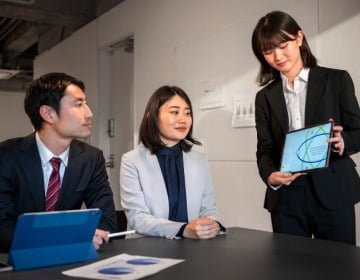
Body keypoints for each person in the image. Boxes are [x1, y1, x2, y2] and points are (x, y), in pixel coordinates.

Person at [252, 11, 360, 245]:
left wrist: (344, 142)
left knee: (339, 268)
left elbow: (357, 130)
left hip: (332, 190)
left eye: (283, 45)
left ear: (299, 37)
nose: (277, 56)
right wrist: (270, 175)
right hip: (287, 196)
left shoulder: (337, 80)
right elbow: (265, 149)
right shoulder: (264, 97)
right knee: (291, 269)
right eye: (268, 51)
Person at [0, 72, 118, 252]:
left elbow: (107, 221)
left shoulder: (91, 158)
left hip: (70, 262)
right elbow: (2, 230)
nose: (89, 113)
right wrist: (69, 239)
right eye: (79, 105)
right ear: (48, 114)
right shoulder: (7, 157)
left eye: (86, 103)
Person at [120, 85, 225, 239]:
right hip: (148, 250)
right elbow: (138, 218)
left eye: (187, 113)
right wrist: (183, 230)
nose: (183, 119)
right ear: (152, 116)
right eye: (174, 112)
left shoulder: (199, 159)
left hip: (193, 248)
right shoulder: (132, 161)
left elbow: (208, 208)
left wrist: (214, 224)